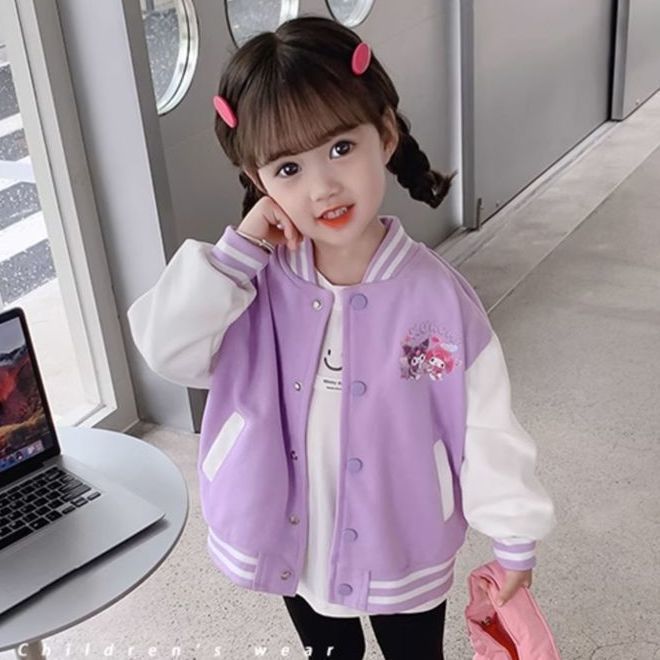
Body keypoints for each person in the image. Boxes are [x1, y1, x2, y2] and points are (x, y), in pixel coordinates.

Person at [127, 15, 556, 660]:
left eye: (340, 148)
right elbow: (167, 349)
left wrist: (514, 533)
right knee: (329, 651)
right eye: (287, 167)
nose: (322, 186)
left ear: (384, 135)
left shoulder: (437, 299)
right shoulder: (246, 283)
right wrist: (236, 255)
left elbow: (485, 426)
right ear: (259, 181)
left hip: (402, 531)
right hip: (291, 522)